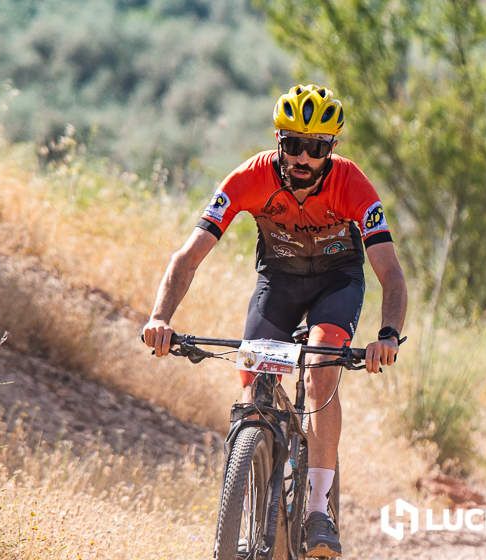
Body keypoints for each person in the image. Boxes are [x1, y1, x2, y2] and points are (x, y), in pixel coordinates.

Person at [142, 84, 407, 558]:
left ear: (332, 149)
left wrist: (386, 335)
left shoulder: (353, 185)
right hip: (279, 283)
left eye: (317, 148)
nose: (304, 158)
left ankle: (318, 508)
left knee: (320, 373)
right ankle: (256, 462)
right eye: (293, 145)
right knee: (253, 379)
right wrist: (161, 317)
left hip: (336, 283)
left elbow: (389, 270)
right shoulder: (249, 177)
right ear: (278, 141)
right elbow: (189, 255)